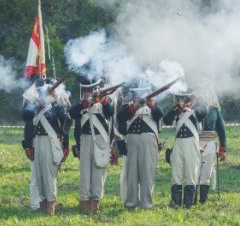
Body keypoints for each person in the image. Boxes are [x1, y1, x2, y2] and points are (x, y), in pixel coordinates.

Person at [21, 78, 70, 215]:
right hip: (36, 142)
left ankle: (51, 209)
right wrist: (38, 104)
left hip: (51, 142)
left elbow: (66, 123)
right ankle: (42, 208)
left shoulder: (58, 104)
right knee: (39, 174)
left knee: (49, 177)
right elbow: (25, 116)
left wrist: (53, 101)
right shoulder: (33, 103)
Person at [69, 76, 114, 214]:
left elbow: (110, 112)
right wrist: (84, 104)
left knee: (98, 171)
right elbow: (72, 114)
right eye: (87, 91)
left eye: (91, 91)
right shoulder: (81, 105)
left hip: (101, 141)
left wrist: (104, 99)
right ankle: (84, 202)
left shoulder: (104, 104)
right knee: (85, 173)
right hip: (85, 141)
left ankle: (95, 203)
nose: (89, 94)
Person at [117, 81, 163, 209]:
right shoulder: (128, 105)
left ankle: (146, 203)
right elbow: (120, 118)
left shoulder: (153, 105)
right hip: (132, 140)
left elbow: (160, 115)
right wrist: (133, 107)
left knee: (147, 171)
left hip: (148, 140)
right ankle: (131, 201)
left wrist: (151, 104)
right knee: (132, 172)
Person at [163, 88, 207, 209]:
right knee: (176, 173)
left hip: (191, 144)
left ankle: (188, 204)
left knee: (191, 173)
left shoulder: (195, 110)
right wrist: (177, 109)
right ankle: (176, 202)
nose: (179, 100)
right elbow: (166, 120)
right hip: (178, 144)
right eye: (178, 99)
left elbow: (204, 112)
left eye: (182, 98)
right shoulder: (176, 112)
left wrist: (197, 101)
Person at [196, 90, 226, 204]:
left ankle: (203, 200)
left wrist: (223, 148)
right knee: (194, 172)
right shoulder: (194, 109)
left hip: (210, 141)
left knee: (206, 173)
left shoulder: (215, 110)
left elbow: (221, 129)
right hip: (196, 141)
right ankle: (192, 199)